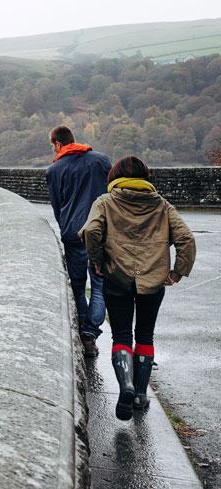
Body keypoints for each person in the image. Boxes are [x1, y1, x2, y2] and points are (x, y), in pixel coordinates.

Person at [79, 156, 195, 420]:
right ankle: (141, 395)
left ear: (115, 177)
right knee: (145, 334)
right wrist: (177, 272)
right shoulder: (162, 206)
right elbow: (186, 239)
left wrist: (97, 260)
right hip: (153, 282)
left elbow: (91, 232)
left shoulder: (105, 203)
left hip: (116, 278)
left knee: (121, 335)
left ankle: (126, 385)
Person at [46, 125, 112, 357]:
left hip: (74, 235)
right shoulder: (101, 161)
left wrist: (66, 225)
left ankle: (85, 332)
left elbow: (57, 205)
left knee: (77, 284)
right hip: (102, 232)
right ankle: (90, 333)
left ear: (57, 144)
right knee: (99, 285)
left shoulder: (54, 171)